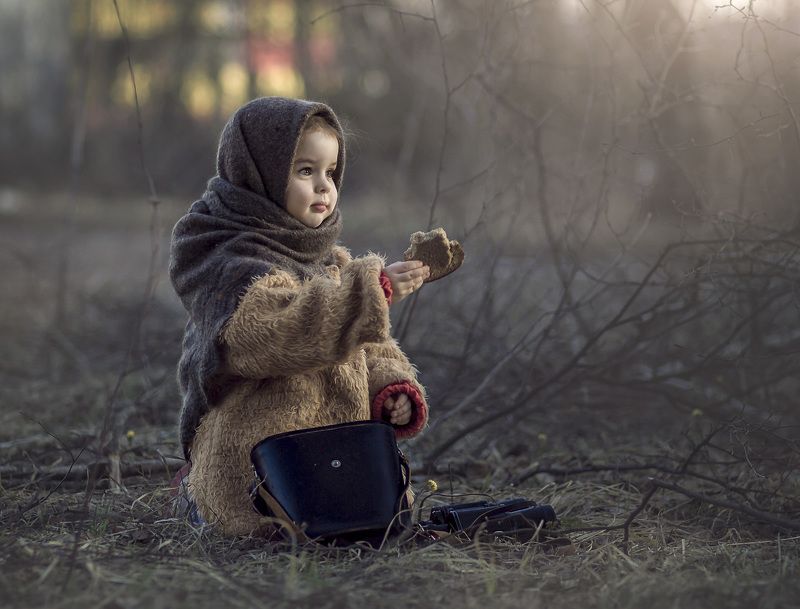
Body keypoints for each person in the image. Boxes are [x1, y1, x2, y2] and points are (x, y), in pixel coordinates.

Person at [168, 97, 430, 536]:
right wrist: (370, 293)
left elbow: (371, 346)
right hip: (259, 468)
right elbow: (279, 332)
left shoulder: (332, 265)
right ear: (260, 176)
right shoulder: (233, 263)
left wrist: (391, 388)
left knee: (372, 522)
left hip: (338, 458)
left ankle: (356, 512)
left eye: (330, 172)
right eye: (305, 171)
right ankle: (213, 503)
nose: (324, 187)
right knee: (270, 523)